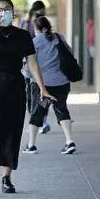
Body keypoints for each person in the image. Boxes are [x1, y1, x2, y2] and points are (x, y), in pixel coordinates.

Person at [0, 0, 54, 195]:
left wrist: (42, 87)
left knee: (12, 132)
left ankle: (6, 178)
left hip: (15, 87)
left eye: (7, 10)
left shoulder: (22, 35)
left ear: (14, 13)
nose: (3, 14)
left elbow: (32, 62)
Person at [23, 16, 76, 155]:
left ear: (36, 29)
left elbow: (30, 66)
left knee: (37, 112)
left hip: (43, 86)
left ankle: (31, 145)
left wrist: (27, 77)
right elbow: (69, 54)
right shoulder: (59, 38)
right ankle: (69, 141)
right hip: (61, 83)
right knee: (62, 110)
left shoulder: (34, 42)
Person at [20, 0, 51, 134]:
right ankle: (37, 121)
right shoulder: (30, 22)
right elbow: (22, 38)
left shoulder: (34, 22)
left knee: (38, 94)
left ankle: (39, 121)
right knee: (35, 94)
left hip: (36, 65)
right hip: (34, 63)